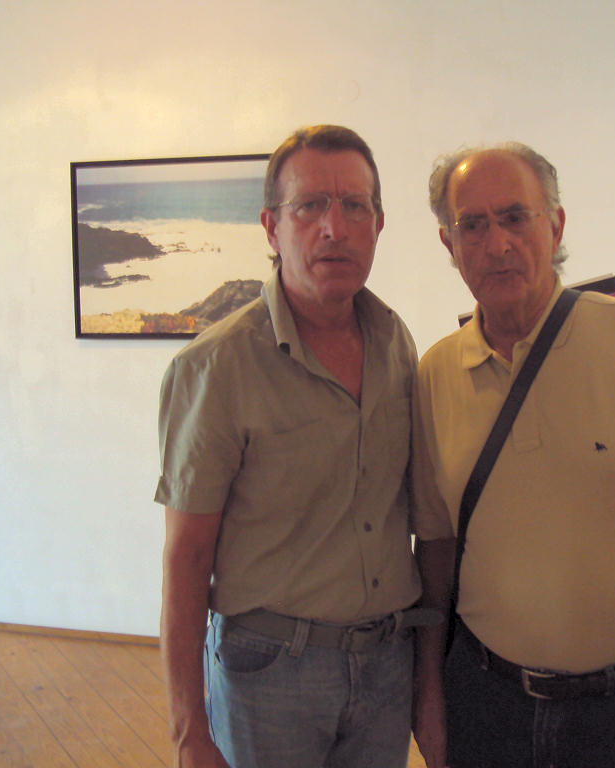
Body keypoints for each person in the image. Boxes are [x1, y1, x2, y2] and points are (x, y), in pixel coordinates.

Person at [410, 143, 615, 768]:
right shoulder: (435, 375)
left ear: (556, 225)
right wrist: (429, 691)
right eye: (472, 225)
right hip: (487, 704)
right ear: (448, 243)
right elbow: (434, 551)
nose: (497, 243)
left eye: (516, 217)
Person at [155, 125, 426, 768]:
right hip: (271, 676)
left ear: (378, 224)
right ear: (271, 228)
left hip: (387, 667)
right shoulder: (215, 367)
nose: (334, 227)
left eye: (354, 205)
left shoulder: (396, 344)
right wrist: (189, 730)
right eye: (309, 206)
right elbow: (187, 556)